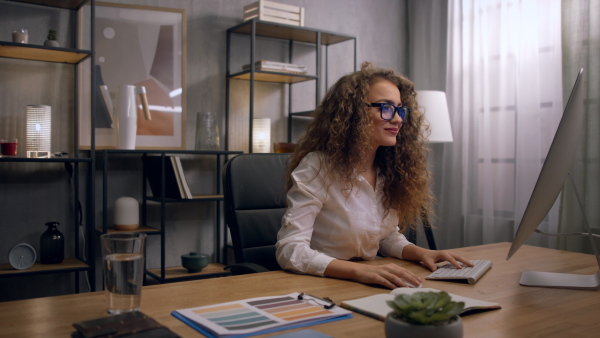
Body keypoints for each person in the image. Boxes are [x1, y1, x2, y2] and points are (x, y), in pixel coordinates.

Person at [275, 62, 472, 289]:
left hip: (368, 281)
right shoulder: (318, 167)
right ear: (353, 113)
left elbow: (386, 237)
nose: (398, 119)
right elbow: (290, 249)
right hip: (321, 284)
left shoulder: (389, 171)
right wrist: (360, 271)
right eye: (386, 108)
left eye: (400, 109)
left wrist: (421, 253)